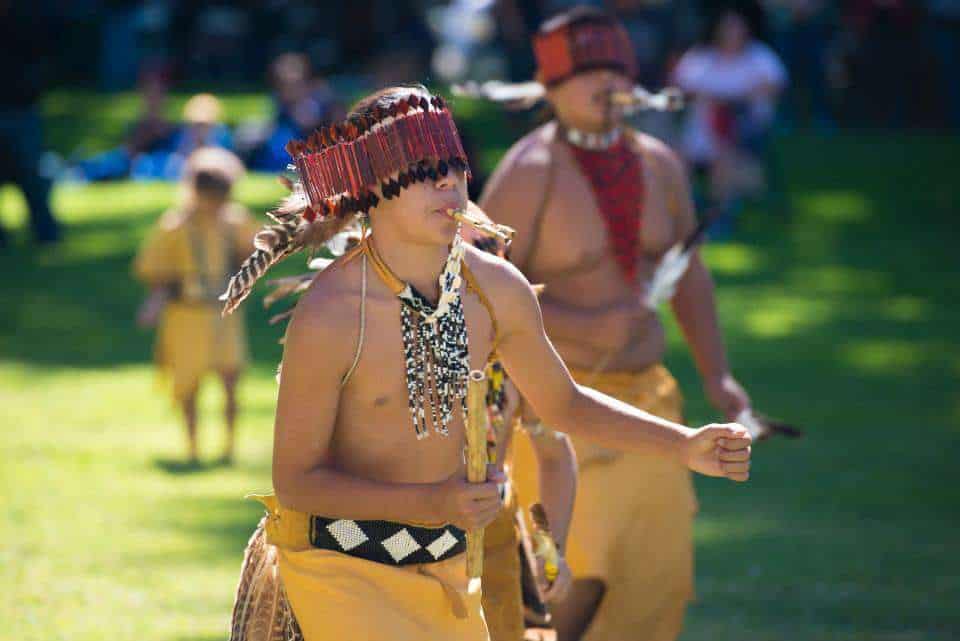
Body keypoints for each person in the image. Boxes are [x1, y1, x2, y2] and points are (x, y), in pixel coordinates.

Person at [224, 84, 752, 641]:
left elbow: (563, 405)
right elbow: (297, 481)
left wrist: (683, 444)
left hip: (451, 569)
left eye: (456, 167)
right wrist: (429, 501)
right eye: (426, 170)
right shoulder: (331, 313)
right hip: (342, 568)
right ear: (371, 185)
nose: (450, 182)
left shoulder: (495, 289)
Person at [478, 8, 757, 640]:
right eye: (587, 72)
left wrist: (719, 376)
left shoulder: (659, 164)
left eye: (616, 70)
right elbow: (480, 293)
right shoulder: (529, 172)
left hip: (649, 403)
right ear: (550, 87)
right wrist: (583, 320)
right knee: (573, 573)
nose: (606, 85)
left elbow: (688, 273)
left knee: (650, 577)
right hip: (557, 404)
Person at [133, 148, 259, 463]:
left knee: (230, 379)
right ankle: (193, 447)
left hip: (223, 314)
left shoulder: (235, 221)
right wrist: (154, 302)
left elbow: (256, 252)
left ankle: (229, 446)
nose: (214, 203)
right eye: (209, 195)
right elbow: (157, 271)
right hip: (186, 314)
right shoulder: (175, 225)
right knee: (189, 384)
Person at [672, 8, 787, 235]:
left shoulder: (759, 56)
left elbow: (774, 86)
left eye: (736, 28)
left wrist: (727, 99)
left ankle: (720, 216)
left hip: (745, 131)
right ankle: (680, 215)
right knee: (675, 155)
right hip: (700, 128)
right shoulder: (701, 57)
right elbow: (682, 88)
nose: (731, 33)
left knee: (722, 154)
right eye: (727, 28)